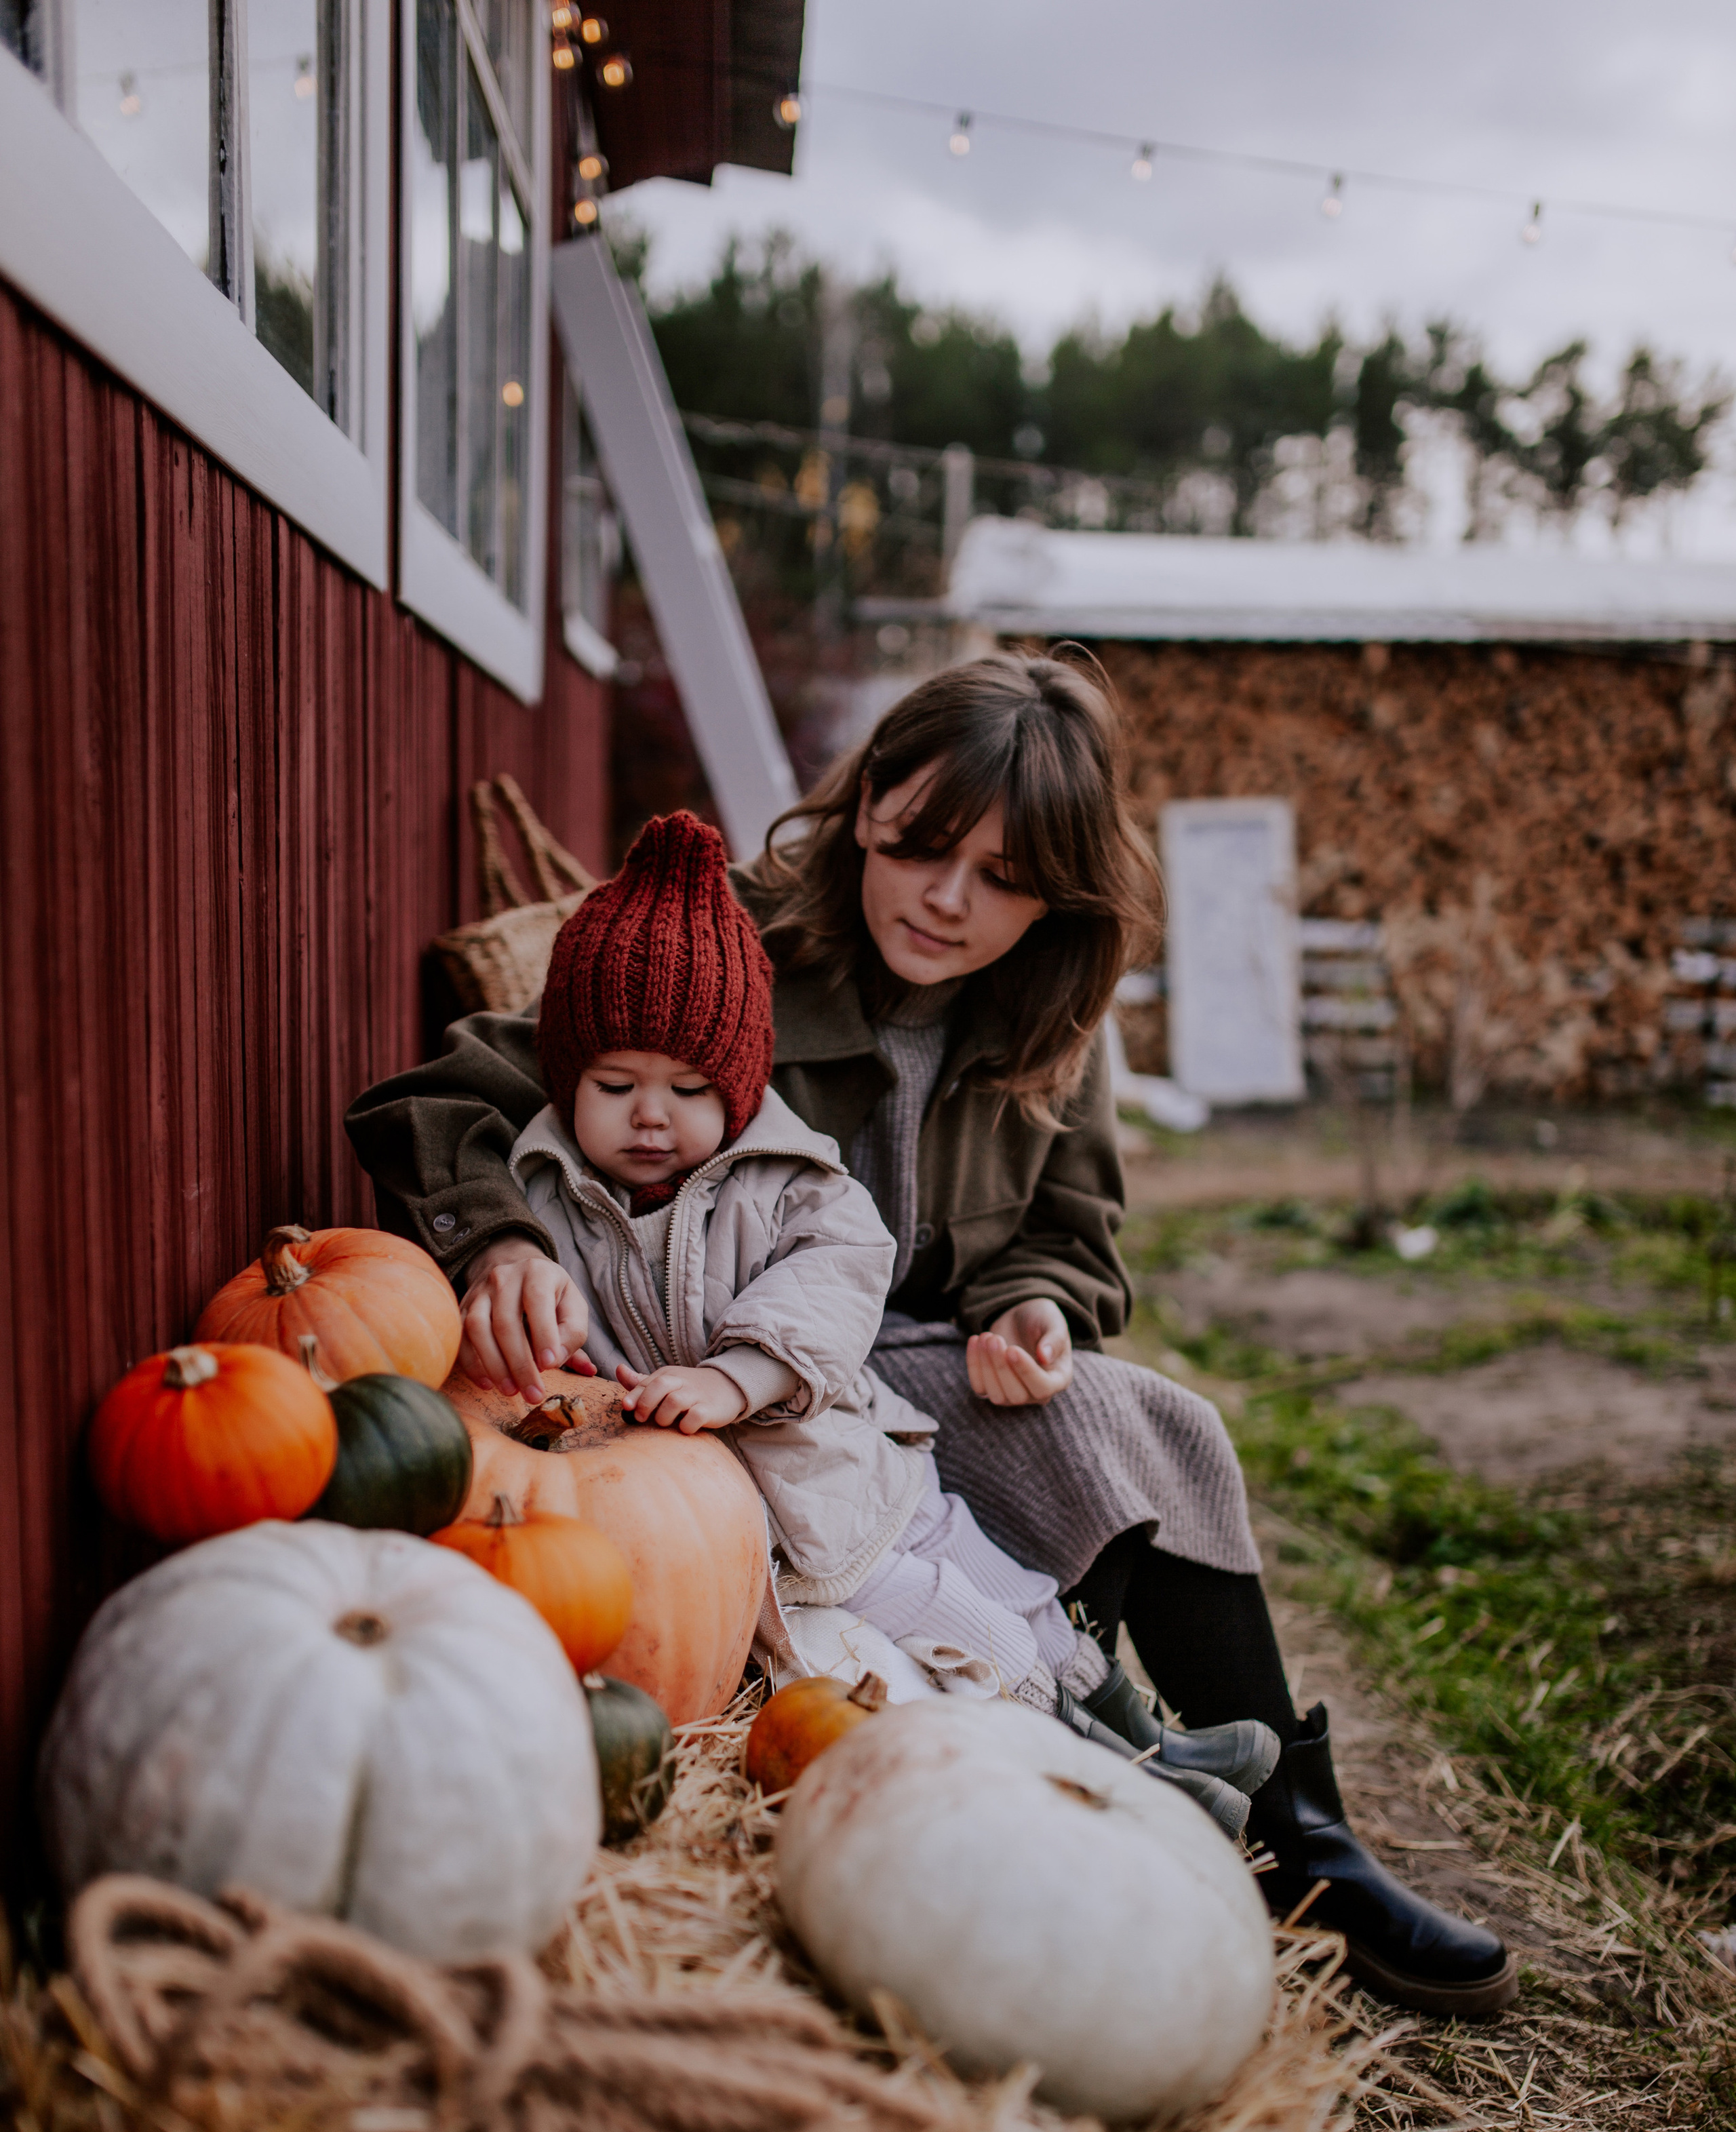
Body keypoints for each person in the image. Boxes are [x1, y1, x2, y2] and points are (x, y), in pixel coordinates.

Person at [347, 650, 1518, 2019]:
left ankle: (1298, 1837)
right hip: (717, 1391)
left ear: (1061, 894)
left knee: (1156, 1426)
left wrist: (1034, 1310)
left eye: (1006, 878)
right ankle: (1108, 1776)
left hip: (910, 1367)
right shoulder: (730, 953)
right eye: (918, 848)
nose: (949, 902)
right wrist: (501, 1235)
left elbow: (1066, 1238)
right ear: (865, 808)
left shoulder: (1046, 1017)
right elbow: (453, 1086)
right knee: (1017, 1521)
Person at [507, 804, 1276, 1838]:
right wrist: (500, 1256)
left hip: (840, 1440)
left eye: (689, 1090)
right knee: (963, 1631)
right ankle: (1131, 1787)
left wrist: (748, 1373)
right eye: (616, 1088)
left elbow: (845, 1265)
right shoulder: (548, 1173)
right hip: (767, 1509)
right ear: (872, 810)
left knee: (1019, 1589)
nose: (652, 1116)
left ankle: (1158, 1743)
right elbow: (474, 1122)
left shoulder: (778, 1172)